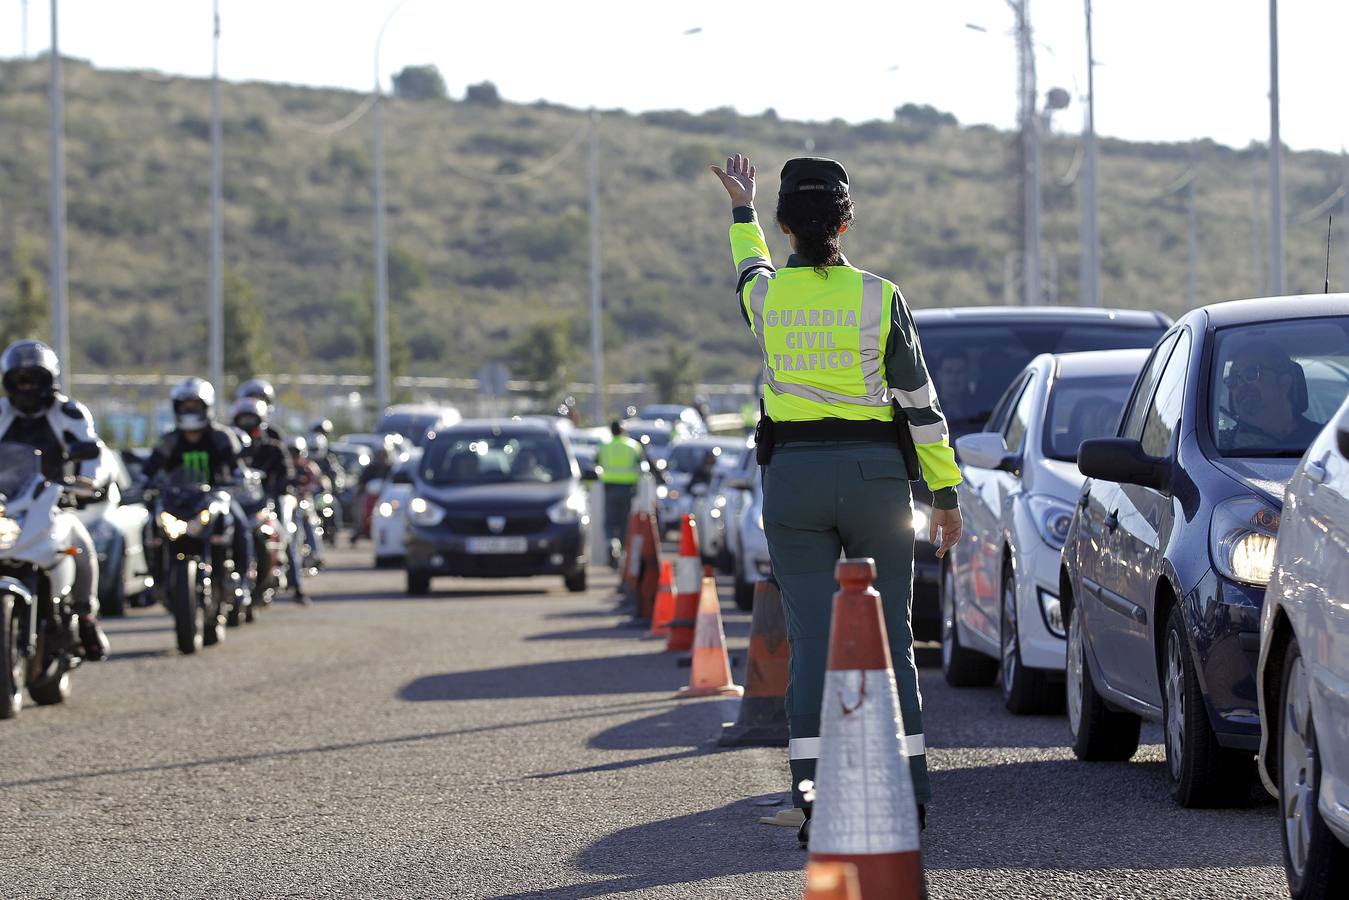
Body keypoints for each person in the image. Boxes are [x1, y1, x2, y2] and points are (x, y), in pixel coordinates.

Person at [711, 154, 963, 842]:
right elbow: (918, 404)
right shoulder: (880, 297)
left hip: (792, 479)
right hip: (875, 477)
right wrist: (943, 494)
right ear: (846, 224)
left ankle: (813, 798)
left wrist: (742, 207)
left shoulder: (765, 299)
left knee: (812, 640)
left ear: (787, 226)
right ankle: (907, 795)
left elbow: (747, 266)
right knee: (892, 640)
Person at [0, 340, 112, 660]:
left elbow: (92, 449)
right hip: (6, 502)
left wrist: (90, 480)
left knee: (80, 541)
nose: (27, 388)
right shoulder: (1, 412)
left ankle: (87, 616)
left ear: (49, 381)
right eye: (20, 381)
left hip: (52, 499)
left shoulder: (67, 411)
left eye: (33, 379)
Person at [141, 378, 254, 597]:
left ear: (207, 407)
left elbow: (235, 464)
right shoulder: (171, 439)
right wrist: (143, 481)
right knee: (150, 527)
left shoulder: (221, 437)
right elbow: (153, 465)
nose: (189, 410)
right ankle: (155, 581)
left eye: (195, 405)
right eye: (185, 405)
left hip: (216, 497)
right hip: (179, 501)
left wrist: (240, 476)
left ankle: (241, 580)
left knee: (240, 525)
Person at [1219, 339, 1321, 452]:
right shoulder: (1218, 446)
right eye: (1233, 379)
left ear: (1284, 383)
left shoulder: (1324, 443)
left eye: (1250, 373)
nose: (1240, 384)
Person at [596, 420, 643, 568]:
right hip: (628, 488)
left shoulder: (604, 446)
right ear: (622, 430)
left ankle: (612, 545)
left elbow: (597, 463)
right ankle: (623, 552)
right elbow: (641, 464)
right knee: (624, 522)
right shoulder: (633, 446)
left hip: (609, 487)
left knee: (610, 522)